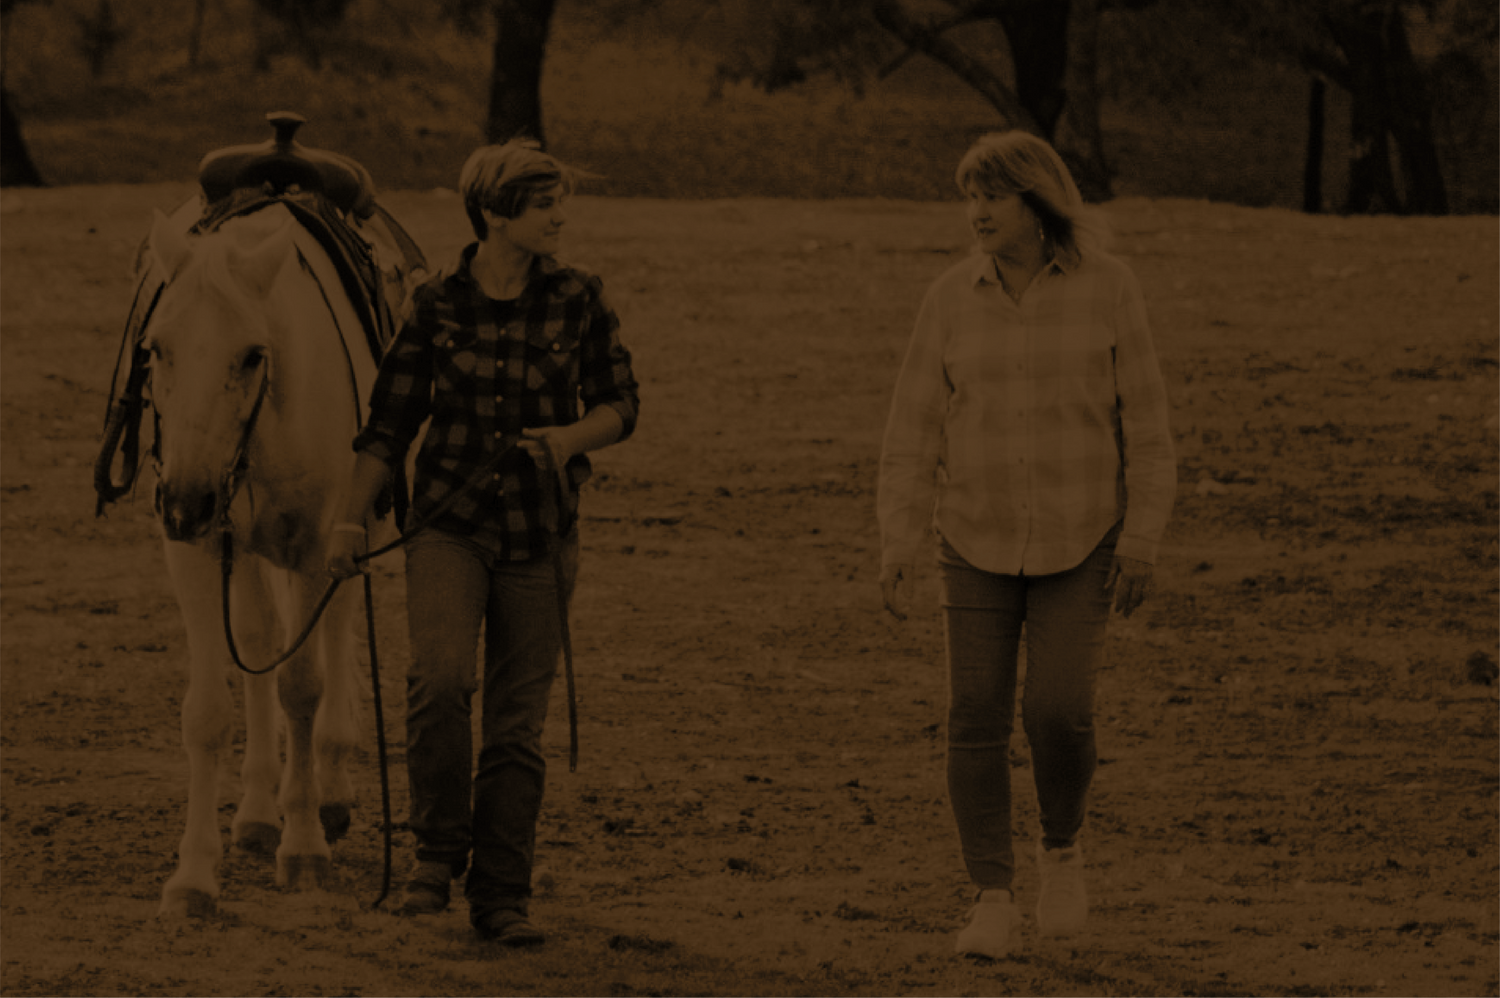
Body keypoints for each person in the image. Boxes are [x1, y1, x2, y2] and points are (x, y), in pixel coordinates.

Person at [327, 140, 639, 946]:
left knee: (514, 725)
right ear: (495, 215)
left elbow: (621, 405)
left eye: (560, 202)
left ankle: (502, 895)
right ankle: (436, 856)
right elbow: (388, 426)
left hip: (540, 534)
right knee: (437, 684)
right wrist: (347, 519)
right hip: (448, 527)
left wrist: (571, 442)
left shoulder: (579, 298)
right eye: (545, 206)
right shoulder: (435, 305)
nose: (560, 217)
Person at [877, 131, 1175, 959]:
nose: (975, 212)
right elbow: (912, 430)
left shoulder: (1110, 289)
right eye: (968, 196)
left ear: (1036, 202)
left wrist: (1142, 538)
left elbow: (1148, 427)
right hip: (971, 536)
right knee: (972, 715)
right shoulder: (948, 297)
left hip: (1083, 541)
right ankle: (992, 896)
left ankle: (1062, 848)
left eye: (992, 197)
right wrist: (898, 538)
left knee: (1058, 711)